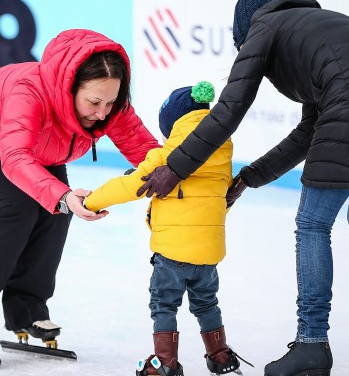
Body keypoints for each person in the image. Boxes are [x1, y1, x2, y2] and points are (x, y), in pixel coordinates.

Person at [138, 0, 349, 376]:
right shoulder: (314, 27)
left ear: (244, 34)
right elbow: (310, 130)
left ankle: (312, 342)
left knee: (312, 225)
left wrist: (176, 167)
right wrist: (247, 178)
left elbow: (228, 110)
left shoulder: (263, 29)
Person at [0, 29, 160, 348]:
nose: (103, 113)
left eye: (110, 102)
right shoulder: (29, 94)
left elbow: (144, 149)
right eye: (94, 102)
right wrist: (63, 194)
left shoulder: (109, 105)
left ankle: (27, 309)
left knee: (56, 212)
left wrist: (175, 173)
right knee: (15, 209)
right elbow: (15, 157)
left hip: (38, 146)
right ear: (70, 88)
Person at [84, 81, 251, 376]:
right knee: (206, 303)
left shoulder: (164, 156)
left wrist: (93, 200)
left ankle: (165, 363)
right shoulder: (223, 156)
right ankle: (220, 355)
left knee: (164, 306)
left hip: (172, 254)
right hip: (208, 254)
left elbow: (129, 186)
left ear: (173, 126)